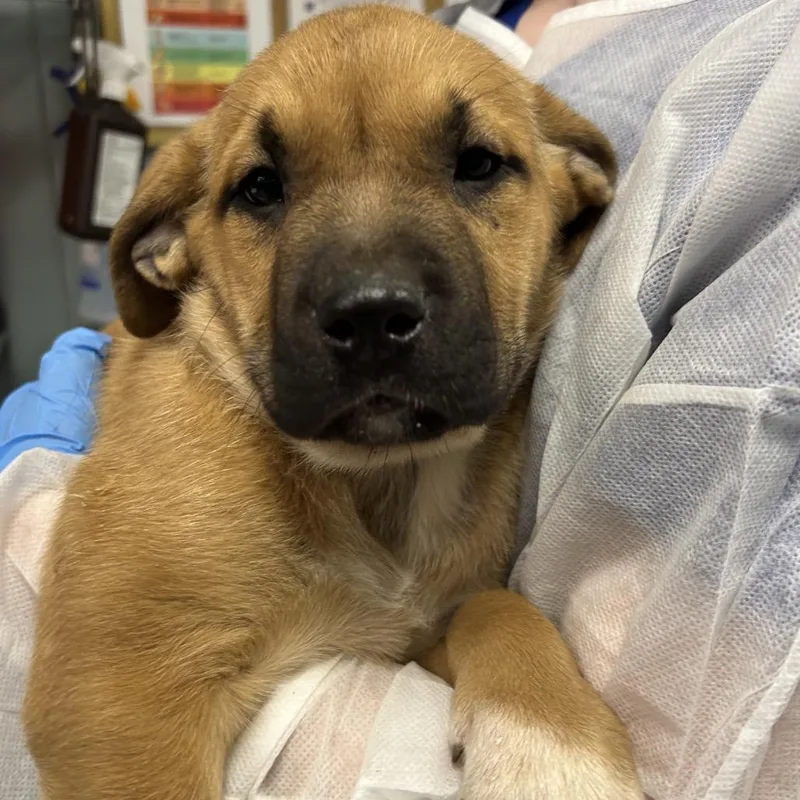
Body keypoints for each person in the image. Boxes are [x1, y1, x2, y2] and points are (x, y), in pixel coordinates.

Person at [2, 1, 799, 798]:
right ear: (175, 247)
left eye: (477, 167)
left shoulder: (522, 444)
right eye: (262, 189)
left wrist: (511, 655)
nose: (368, 290)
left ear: (574, 193)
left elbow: (431, 622)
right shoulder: (207, 484)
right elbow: (109, 703)